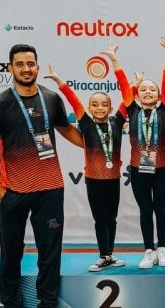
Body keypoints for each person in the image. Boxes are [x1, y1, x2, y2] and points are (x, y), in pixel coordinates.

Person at [0, 44, 83, 307]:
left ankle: (47, 302)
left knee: (50, 253)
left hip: (50, 190)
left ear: (37, 66)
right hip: (13, 192)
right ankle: (11, 302)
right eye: (20, 64)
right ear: (10, 68)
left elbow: (67, 130)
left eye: (30, 64)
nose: (26, 69)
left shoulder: (51, 98)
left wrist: (94, 143)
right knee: (11, 253)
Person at [43, 50, 130, 272]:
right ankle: (104, 255)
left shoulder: (117, 123)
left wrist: (115, 62)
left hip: (113, 180)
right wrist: (60, 81)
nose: (99, 108)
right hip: (94, 181)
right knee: (100, 219)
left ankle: (110, 254)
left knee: (112, 219)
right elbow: (74, 101)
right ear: (90, 108)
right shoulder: (87, 124)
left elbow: (128, 97)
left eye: (104, 104)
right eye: (95, 105)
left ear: (111, 108)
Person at [112, 38, 165, 269]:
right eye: (143, 89)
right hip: (138, 170)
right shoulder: (132, 110)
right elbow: (123, 84)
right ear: (137, 95)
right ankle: (149, 250)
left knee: (161, 209)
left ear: (159, 96)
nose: (148, 91)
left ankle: (163, 248)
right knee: (145, 210)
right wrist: (115, 60)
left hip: (161, 169)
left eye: (152, 89)